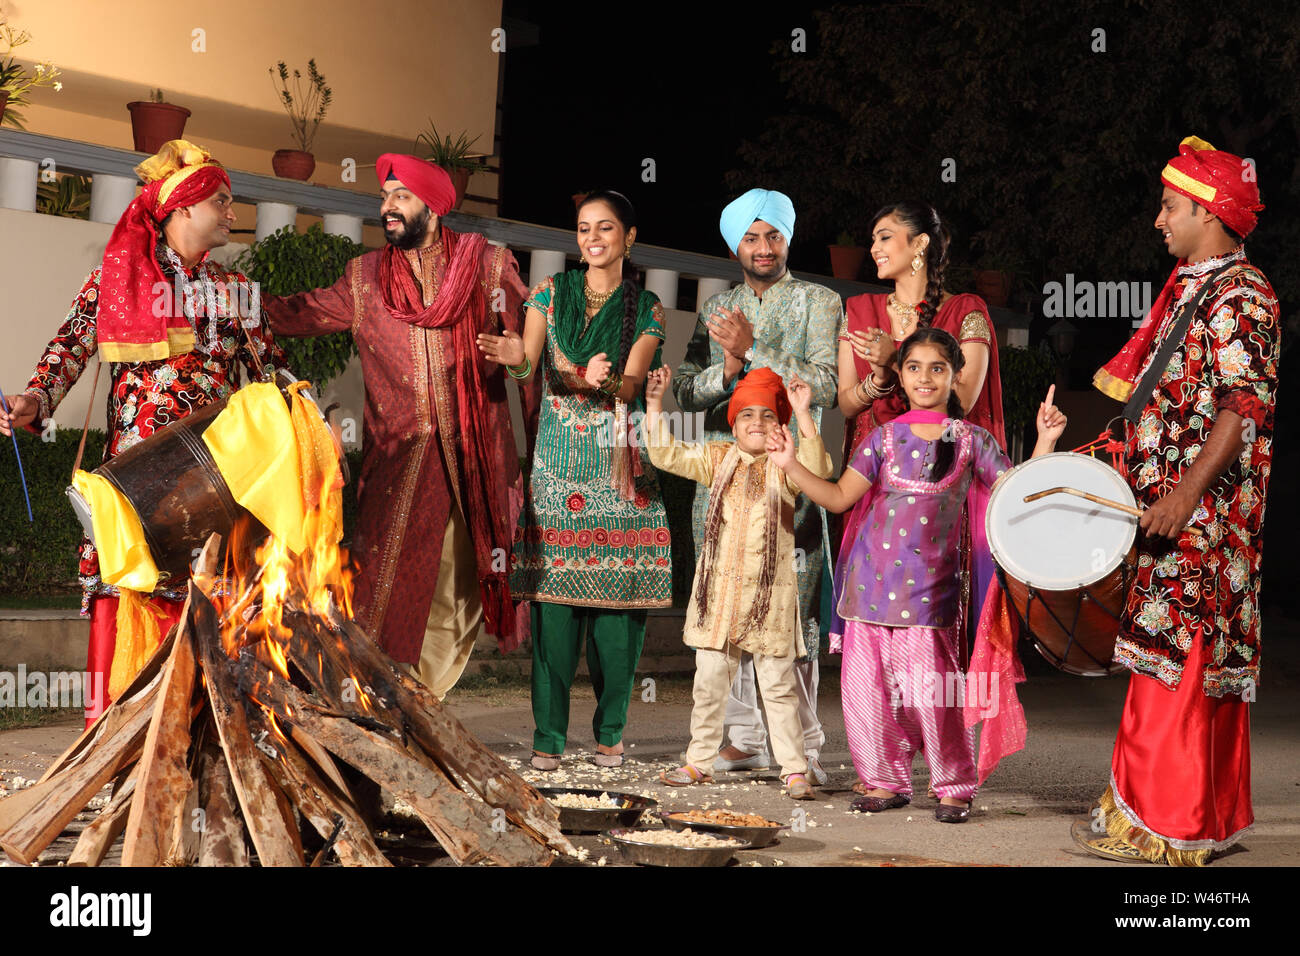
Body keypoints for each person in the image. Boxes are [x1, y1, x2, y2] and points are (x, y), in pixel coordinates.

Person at [0, 140, 288, 727]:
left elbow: (272, 373)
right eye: (222, 201)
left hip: (213, 480)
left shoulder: (235, 293)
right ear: (183, 208)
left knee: (209, 602)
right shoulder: (120, 276)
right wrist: (32, 400)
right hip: (134, 477)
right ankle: (110, 746)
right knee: (126, 595)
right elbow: (69, 349)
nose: (234, 213)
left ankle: (197, 742)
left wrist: (310, 420)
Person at [263, 154, 531, 700]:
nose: (388, 207)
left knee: (456, 582)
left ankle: (422, 696)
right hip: (398, 458)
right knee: (382, 579)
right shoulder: (363, 278)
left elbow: (532, 349)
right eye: (385, 197)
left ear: (433, 206)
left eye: (401, 197)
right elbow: (299, 312)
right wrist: (225, 300)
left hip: (473, 459)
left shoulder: (487, 266)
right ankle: (378, 688)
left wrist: (519, 360)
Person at [771, 328, 1065, 822]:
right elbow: (840, 497)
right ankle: (884, 781)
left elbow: (1016, 492)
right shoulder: (882, 438)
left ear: (955, 377)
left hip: (932, 594)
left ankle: (953, 784)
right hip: (866, 588)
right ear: (899, 377)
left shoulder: (972, 441)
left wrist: (1045, 441)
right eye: (913, 368)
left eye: (937, 369)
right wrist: (790, 466)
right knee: (869, 694)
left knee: (936, 693)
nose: (924, 378)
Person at [1076, 136, 1276, 865]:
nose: (1159, 220)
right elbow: (1162, 408)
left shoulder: (1242, 293)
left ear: (1210, 211)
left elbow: (1241, 405)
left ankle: (1167, 824)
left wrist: (1186, 498)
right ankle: (1180, 813)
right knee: (1175, 654)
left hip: (1203, 522)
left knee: (1180, 658)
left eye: (1170, 206)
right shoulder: (1196, 287)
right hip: (1173, 511)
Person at [477, 190, 671, 770]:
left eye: (606, 228)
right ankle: (548, 741)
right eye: (584, 227)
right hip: (559, 472)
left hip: (618, 474)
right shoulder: (548, 293)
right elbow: (527, 363)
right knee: (554, 617)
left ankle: (610, 734)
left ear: (628, 238)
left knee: (618, 624)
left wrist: (595, 379)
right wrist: (515, 354)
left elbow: (633, 384)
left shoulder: (648, 308)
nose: (592, 238)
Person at [671, 188, 841, 781]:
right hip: (724, 483)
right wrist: (731, 368)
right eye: (750, 236)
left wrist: (757, 349)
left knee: (793, 611)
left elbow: (824, 383)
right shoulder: (715, 308)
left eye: (772, 236)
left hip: (792, 479)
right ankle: (743, 740)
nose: (762, 247)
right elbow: (687, 393)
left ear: (788, 239)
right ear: (733, 244)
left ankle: (805, 748)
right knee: (728, 605)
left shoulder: (820, 300)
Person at [647, 366, 830, 800]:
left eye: (768, 415)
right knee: (709, 684)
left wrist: (804, 415)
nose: (756, 423)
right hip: (720, 597)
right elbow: (665, 454)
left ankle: (794, 769)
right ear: (733, 422)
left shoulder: (786, 466)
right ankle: (699, 762)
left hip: (770, 600)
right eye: (746, 414)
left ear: (780, 425)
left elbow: (819, 468)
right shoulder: (717, 457)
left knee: (779, 688)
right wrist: (655, 405)